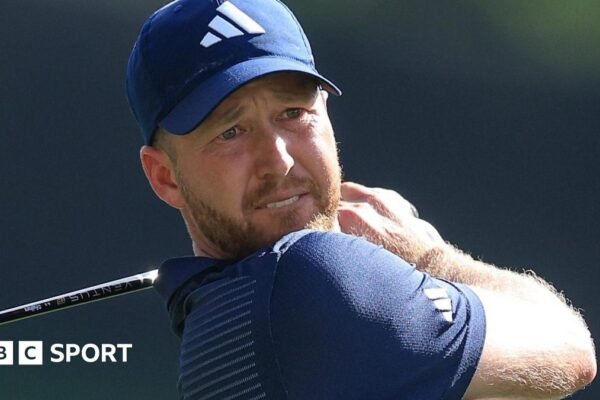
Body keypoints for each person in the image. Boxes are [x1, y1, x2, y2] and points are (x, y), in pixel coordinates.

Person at [126, 0, 596, 399]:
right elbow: (570, 348)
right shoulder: (313, 278)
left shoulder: (208, 317)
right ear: (165, 176)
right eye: (231, 132)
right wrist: (429, 257)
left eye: (294, 112)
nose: (280, 161)